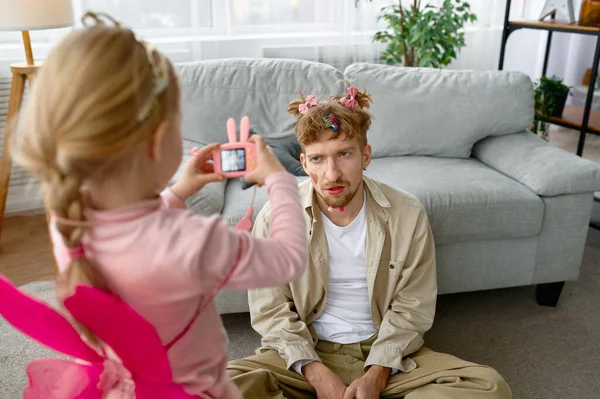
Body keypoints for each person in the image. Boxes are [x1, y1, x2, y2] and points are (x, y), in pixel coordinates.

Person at [10, 12, 307, 398]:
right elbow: (288, 258)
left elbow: (141, 239)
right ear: (159, 140)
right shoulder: (194, 241)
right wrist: (279, 180)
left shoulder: (67, 219)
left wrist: (177, 193)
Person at [227, 85, 512, 399]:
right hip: (305, 352)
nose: (331, 173)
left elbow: (412, 307)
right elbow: (271, 310)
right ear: (305, 163)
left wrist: (377, 373)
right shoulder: (276, 217)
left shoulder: (408, 213)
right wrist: (317, 374)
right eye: (318, 159)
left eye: (344, 154)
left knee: (489, 386)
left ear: (365, 155)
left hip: (385, 353)